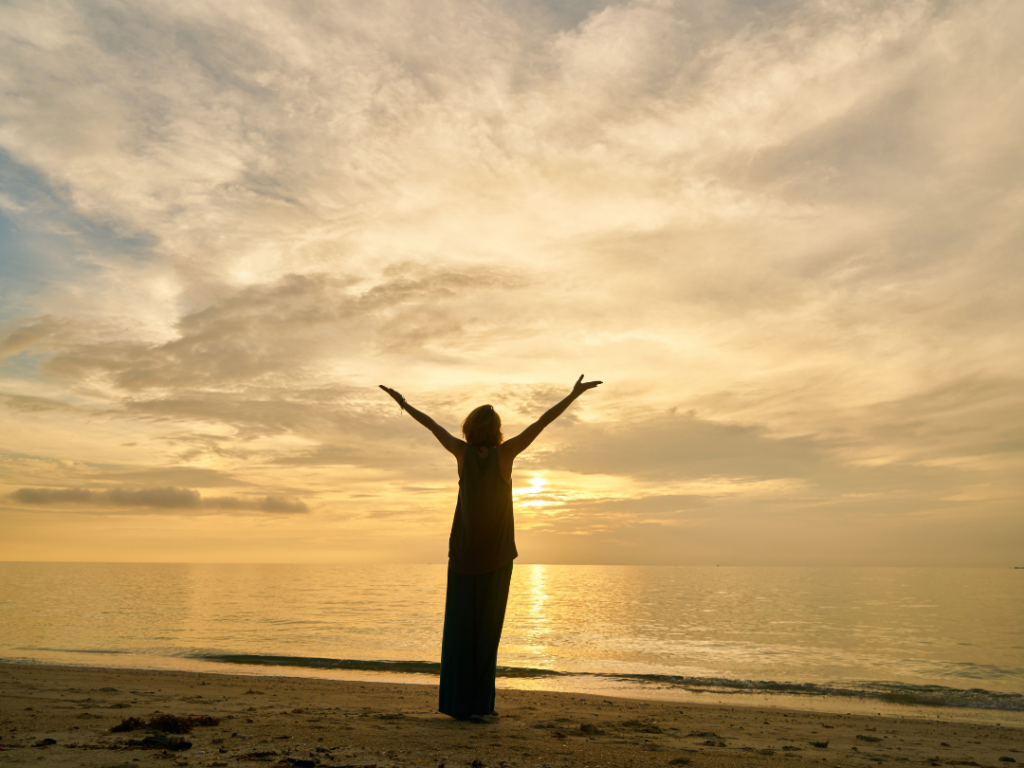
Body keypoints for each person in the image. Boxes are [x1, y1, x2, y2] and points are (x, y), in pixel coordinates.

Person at [379, 375, 602, 723]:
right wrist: (572, 395)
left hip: (463, 557)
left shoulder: (461, 452)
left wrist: (404, 404)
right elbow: (541, 422)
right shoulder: (506, 453)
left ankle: (457, 705)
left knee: (459, 633)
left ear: (469, 428)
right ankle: (481, 707)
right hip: (497, 559)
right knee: (486, 635)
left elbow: (432, 425)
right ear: (496, 429)